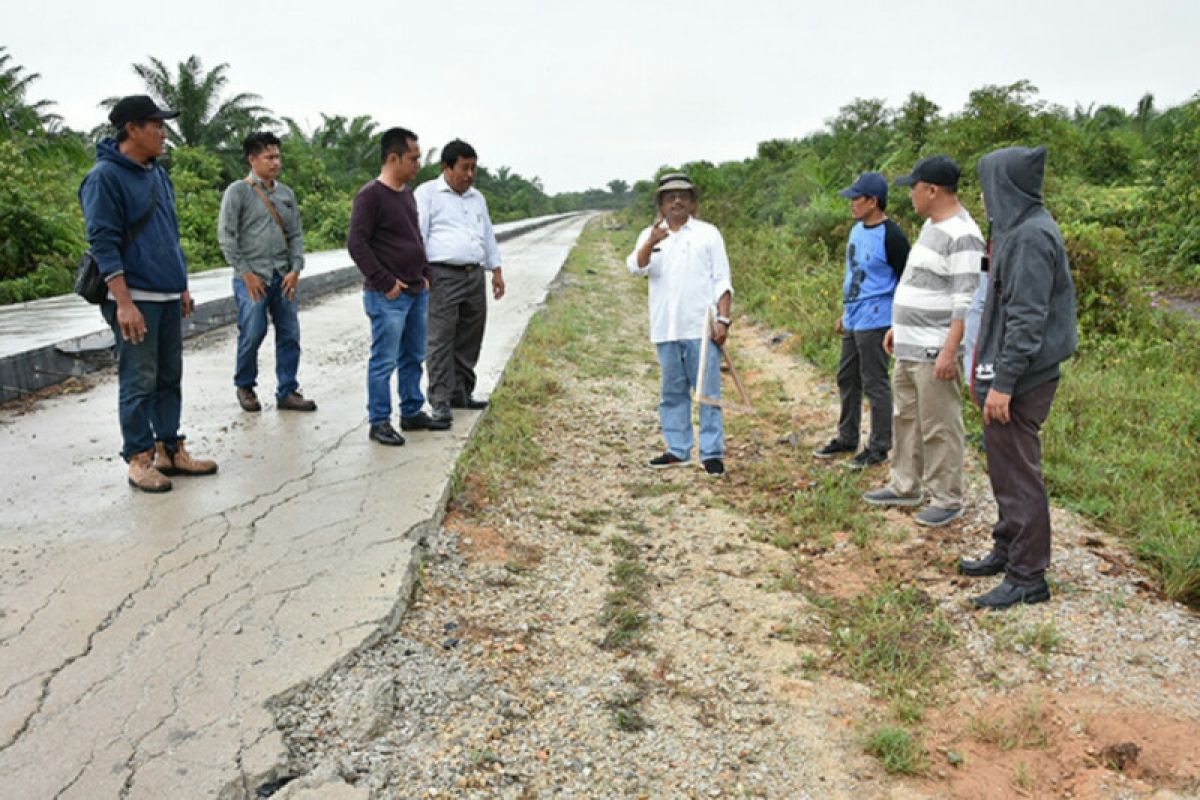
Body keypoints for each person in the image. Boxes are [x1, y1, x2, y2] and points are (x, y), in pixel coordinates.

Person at [79, 95, 218, 492]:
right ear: (132, 129)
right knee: (139, 379)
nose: (163, 133)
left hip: (166, 293)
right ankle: (138, 459)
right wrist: (123, 302)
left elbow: (169, 233)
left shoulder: (157, 174)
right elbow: (103, 244)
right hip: (134, 297)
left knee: (169, 376)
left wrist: (182, 285)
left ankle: (169, 448)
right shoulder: (104, 177)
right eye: (156, 125)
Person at [960, 146, 1077, 609]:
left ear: (1005, 185)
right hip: (1011, 373)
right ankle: (1008, 549)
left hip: (1023, 378)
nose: (985, 197)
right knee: (1004, 466)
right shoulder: (1013, 229)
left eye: (989, 185)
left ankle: (1028, 576)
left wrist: (1004, 383)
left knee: (1019, 473)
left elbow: (1027, 319)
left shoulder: (1030, 236)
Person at [862, 156, 983, 526]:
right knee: (907, 419)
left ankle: (947, 497)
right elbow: (920, 283)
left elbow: (967, 299)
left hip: (934, 350)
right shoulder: (932, 225)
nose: (910, 195)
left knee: (939, 424)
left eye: (913, 188)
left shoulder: (963, 235)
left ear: (931, 190)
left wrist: (950, 349)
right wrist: (900, 326)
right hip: (909, 345)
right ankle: (905, 485)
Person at [627, 174, 733, 477]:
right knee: (672, 393)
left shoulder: (708, 234)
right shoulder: (651, 235)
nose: (677, 201)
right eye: (670, 196)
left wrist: (723, 319)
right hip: (666, 328)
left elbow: (722, 279)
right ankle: (678, 449)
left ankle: (712, 453)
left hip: (701, 327)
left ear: (692, 201)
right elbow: (636, 268)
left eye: (683, 195)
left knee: (708, 392)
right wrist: (651, 241)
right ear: (660, 203)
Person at [348, 127, 449, 446]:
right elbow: (356, 244)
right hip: (388, 296)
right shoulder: (370, 196)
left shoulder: (406, 194)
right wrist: (385, 282)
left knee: (413, 356)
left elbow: (413, 237)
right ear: (393, 158)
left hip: (417, 290)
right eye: (413, 158)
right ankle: (379, 421)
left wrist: (425, 272)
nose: (418, 165)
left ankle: (411, 411)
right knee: (384, 360)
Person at [814, 172, 910, 469]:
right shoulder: (857, 230)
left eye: (857, 198)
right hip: (855, 315)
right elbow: (854, 275)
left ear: (873, 201)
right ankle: (847, 436)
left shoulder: (891, 235)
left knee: (874, 381)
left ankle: (880, 445)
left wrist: (898, 320)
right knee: (847, 376)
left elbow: (907, 278)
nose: (852, 204)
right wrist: (846, 312)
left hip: (878, 316)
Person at [218, 131, 316, 413]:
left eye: (277, 156)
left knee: (290, 333)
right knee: (253, 330)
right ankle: (245, 384)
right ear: (252, 159)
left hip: (282, 276)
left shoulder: (286, 194)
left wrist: (296, 269)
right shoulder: (238, 191)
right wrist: (245, 273)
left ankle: (287, 390)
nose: (275, 162)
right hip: (252, 277)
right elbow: (227, 236)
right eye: (268, 157)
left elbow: (296, 234)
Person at [413, 139, 505, 423]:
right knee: (440, 339)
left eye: (473, 168)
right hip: (442, 275)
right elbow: (419, 235)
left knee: (470, 335)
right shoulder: (427, 194)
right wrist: (421, 274)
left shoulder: (477, 198)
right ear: (446, 167)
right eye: (464, 168)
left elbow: (487, 234)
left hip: (473, 274)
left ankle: (461, 392)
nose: (469, 175)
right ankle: (439, 400)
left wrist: (496, 270)